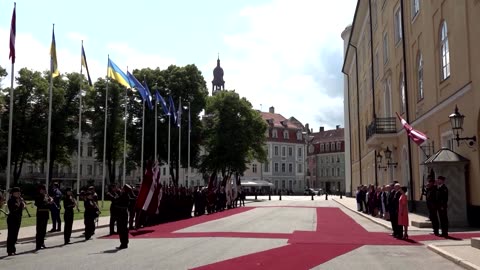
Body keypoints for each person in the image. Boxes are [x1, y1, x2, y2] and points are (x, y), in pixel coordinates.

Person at [6, 187, 25, 256]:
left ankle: (13, 249)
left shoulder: (20, 199)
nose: (19, 193)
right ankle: (9, 251)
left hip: (18, 218)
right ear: (13, 193)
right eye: (17, 192)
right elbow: (13, 209)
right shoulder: (11, 200)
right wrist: (19, 203)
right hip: (12, 219)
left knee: (15, 235)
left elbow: (22, 208)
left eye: (19, 192)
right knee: (11, 235)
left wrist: (23, 204)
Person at [35, 185, 52, 250]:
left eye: (44, 189)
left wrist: (50, 202)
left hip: (46, 214)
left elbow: (49, 206)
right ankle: (38, 245)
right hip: (40, 214)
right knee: (39, 230)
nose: (43, 191)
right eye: (42, 189)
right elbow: (39, 204)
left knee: (44, 230)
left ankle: (42, 242)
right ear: (40, 190)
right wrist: (47, 201)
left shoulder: (47, 196)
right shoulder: (38, 196)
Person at [116, 184, 133, 249]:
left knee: (122, 229)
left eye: (123, 188)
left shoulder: (124, 196)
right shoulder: (125, 195)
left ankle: (123, 243)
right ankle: (124, 242)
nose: (122, 189)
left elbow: (117, 201)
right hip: (123, 213)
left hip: (122, 213)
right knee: (123, 228)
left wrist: (117, 206)